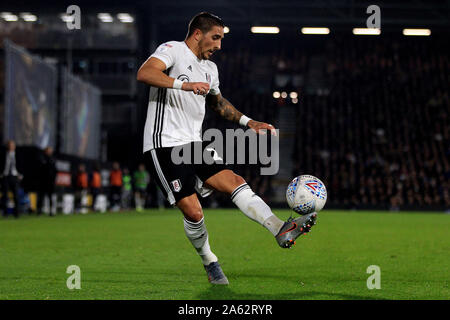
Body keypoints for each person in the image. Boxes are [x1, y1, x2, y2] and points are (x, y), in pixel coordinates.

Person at [136, 12, 317, 285]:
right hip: (164, 144)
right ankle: (210, 261)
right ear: (198, 33)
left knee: (235, 181)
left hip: (194, 143)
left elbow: (218, 103)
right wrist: (184, 85)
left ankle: (280, 228)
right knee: (194, 212)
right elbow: (145, 73)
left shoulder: (210, 69)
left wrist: (249, 122)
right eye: (215, 37)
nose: (219, 45)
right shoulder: (172, 50)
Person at [0, 140, 23, 218]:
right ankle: (5, 213)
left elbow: (22, 165)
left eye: (12, 145)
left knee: (16, 195)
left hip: (14, 176)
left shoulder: (18, 155)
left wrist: (20, 175)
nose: (11, 147)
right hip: (5, 176)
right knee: (5, 195)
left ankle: (16, 213)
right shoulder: (3, 154)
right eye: (9, 145)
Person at [36, 147, 57, 216]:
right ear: (45, 151)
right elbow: (40, 169)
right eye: (48, 151)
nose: (49, 152)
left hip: (50, 182)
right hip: (43, 181)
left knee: (50, 197)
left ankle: (51, 211)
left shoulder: (53, 159)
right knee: (41, 196)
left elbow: (55, 171)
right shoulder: (42, 158)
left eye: (50, 151)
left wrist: (54, 179)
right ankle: (39, 211)